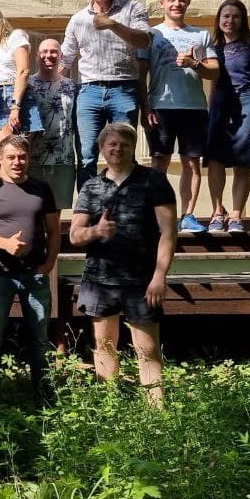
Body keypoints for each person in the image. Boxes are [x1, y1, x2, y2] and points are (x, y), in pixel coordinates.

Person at [69, 122, 177, 407]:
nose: (118, 149)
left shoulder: (154, 180)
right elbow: (74, 236)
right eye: (112, 144)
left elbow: (168, 233)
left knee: (147, 349)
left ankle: (157, 412)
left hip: (142, 280)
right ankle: (111, 408)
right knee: (104, 347)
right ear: (102, 148)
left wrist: (159, 276)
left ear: (133, 148)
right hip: (99, 279)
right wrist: (96, 231)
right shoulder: (91, 186)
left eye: (124, 144)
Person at [0, 135, 61, 402]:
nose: (17, 162)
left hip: (35, 275)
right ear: (0, 159)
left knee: (39, 339)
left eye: (22, 157)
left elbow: (54, 230)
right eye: (11, 157)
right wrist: (6, 244)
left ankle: (44, 396)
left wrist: (49, 264)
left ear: (28, 159)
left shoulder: (42, 188)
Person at [61, 0, 152, 188]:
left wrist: (112, 24)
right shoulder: (78, 19)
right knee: (86, 155)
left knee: (124, 152)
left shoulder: (133, 9)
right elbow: (66, 59)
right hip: (88, 91)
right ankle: (88, 205)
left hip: (124, 88)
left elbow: (143, 41)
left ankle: (125, 204)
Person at [144, 0, 219, 234]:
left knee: (192, 163)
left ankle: (187, 216)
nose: (177, 4)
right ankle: (156, 216)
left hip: (194, 107)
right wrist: (145, 107)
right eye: (172, 0)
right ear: (162, 3)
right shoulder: (151, 34)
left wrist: (195, 63)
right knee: (159, 162)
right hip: (160, 106)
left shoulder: (201, 34)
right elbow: (140, 73)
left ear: (188, 2)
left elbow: (215, 72)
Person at [205, 0, 250, 235]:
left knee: (242, 161)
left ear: (243, 19)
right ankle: (217, 212)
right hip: (221, 105)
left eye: (235, 16)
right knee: (215, 160)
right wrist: (211, 111)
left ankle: (235, 216)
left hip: (248, 102)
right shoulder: (213, 48)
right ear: (219, 19)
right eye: (226, 16)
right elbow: (213, 83)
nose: (230, 20)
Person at [0, 3, 41, 148]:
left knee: (18, 152)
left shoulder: (15, 36)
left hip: (17, 95)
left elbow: (23, 71)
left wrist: (15, 107)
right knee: (4, 151)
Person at [28, 39, 79, 210]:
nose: (48, 55)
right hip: (32, 160)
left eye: (53, 51)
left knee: (55, 214)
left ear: (61, 56)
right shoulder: (27, 84)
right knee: (33, 213)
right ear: (37, 56)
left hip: (63, 160)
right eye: (44, 51)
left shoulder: (72, 86)